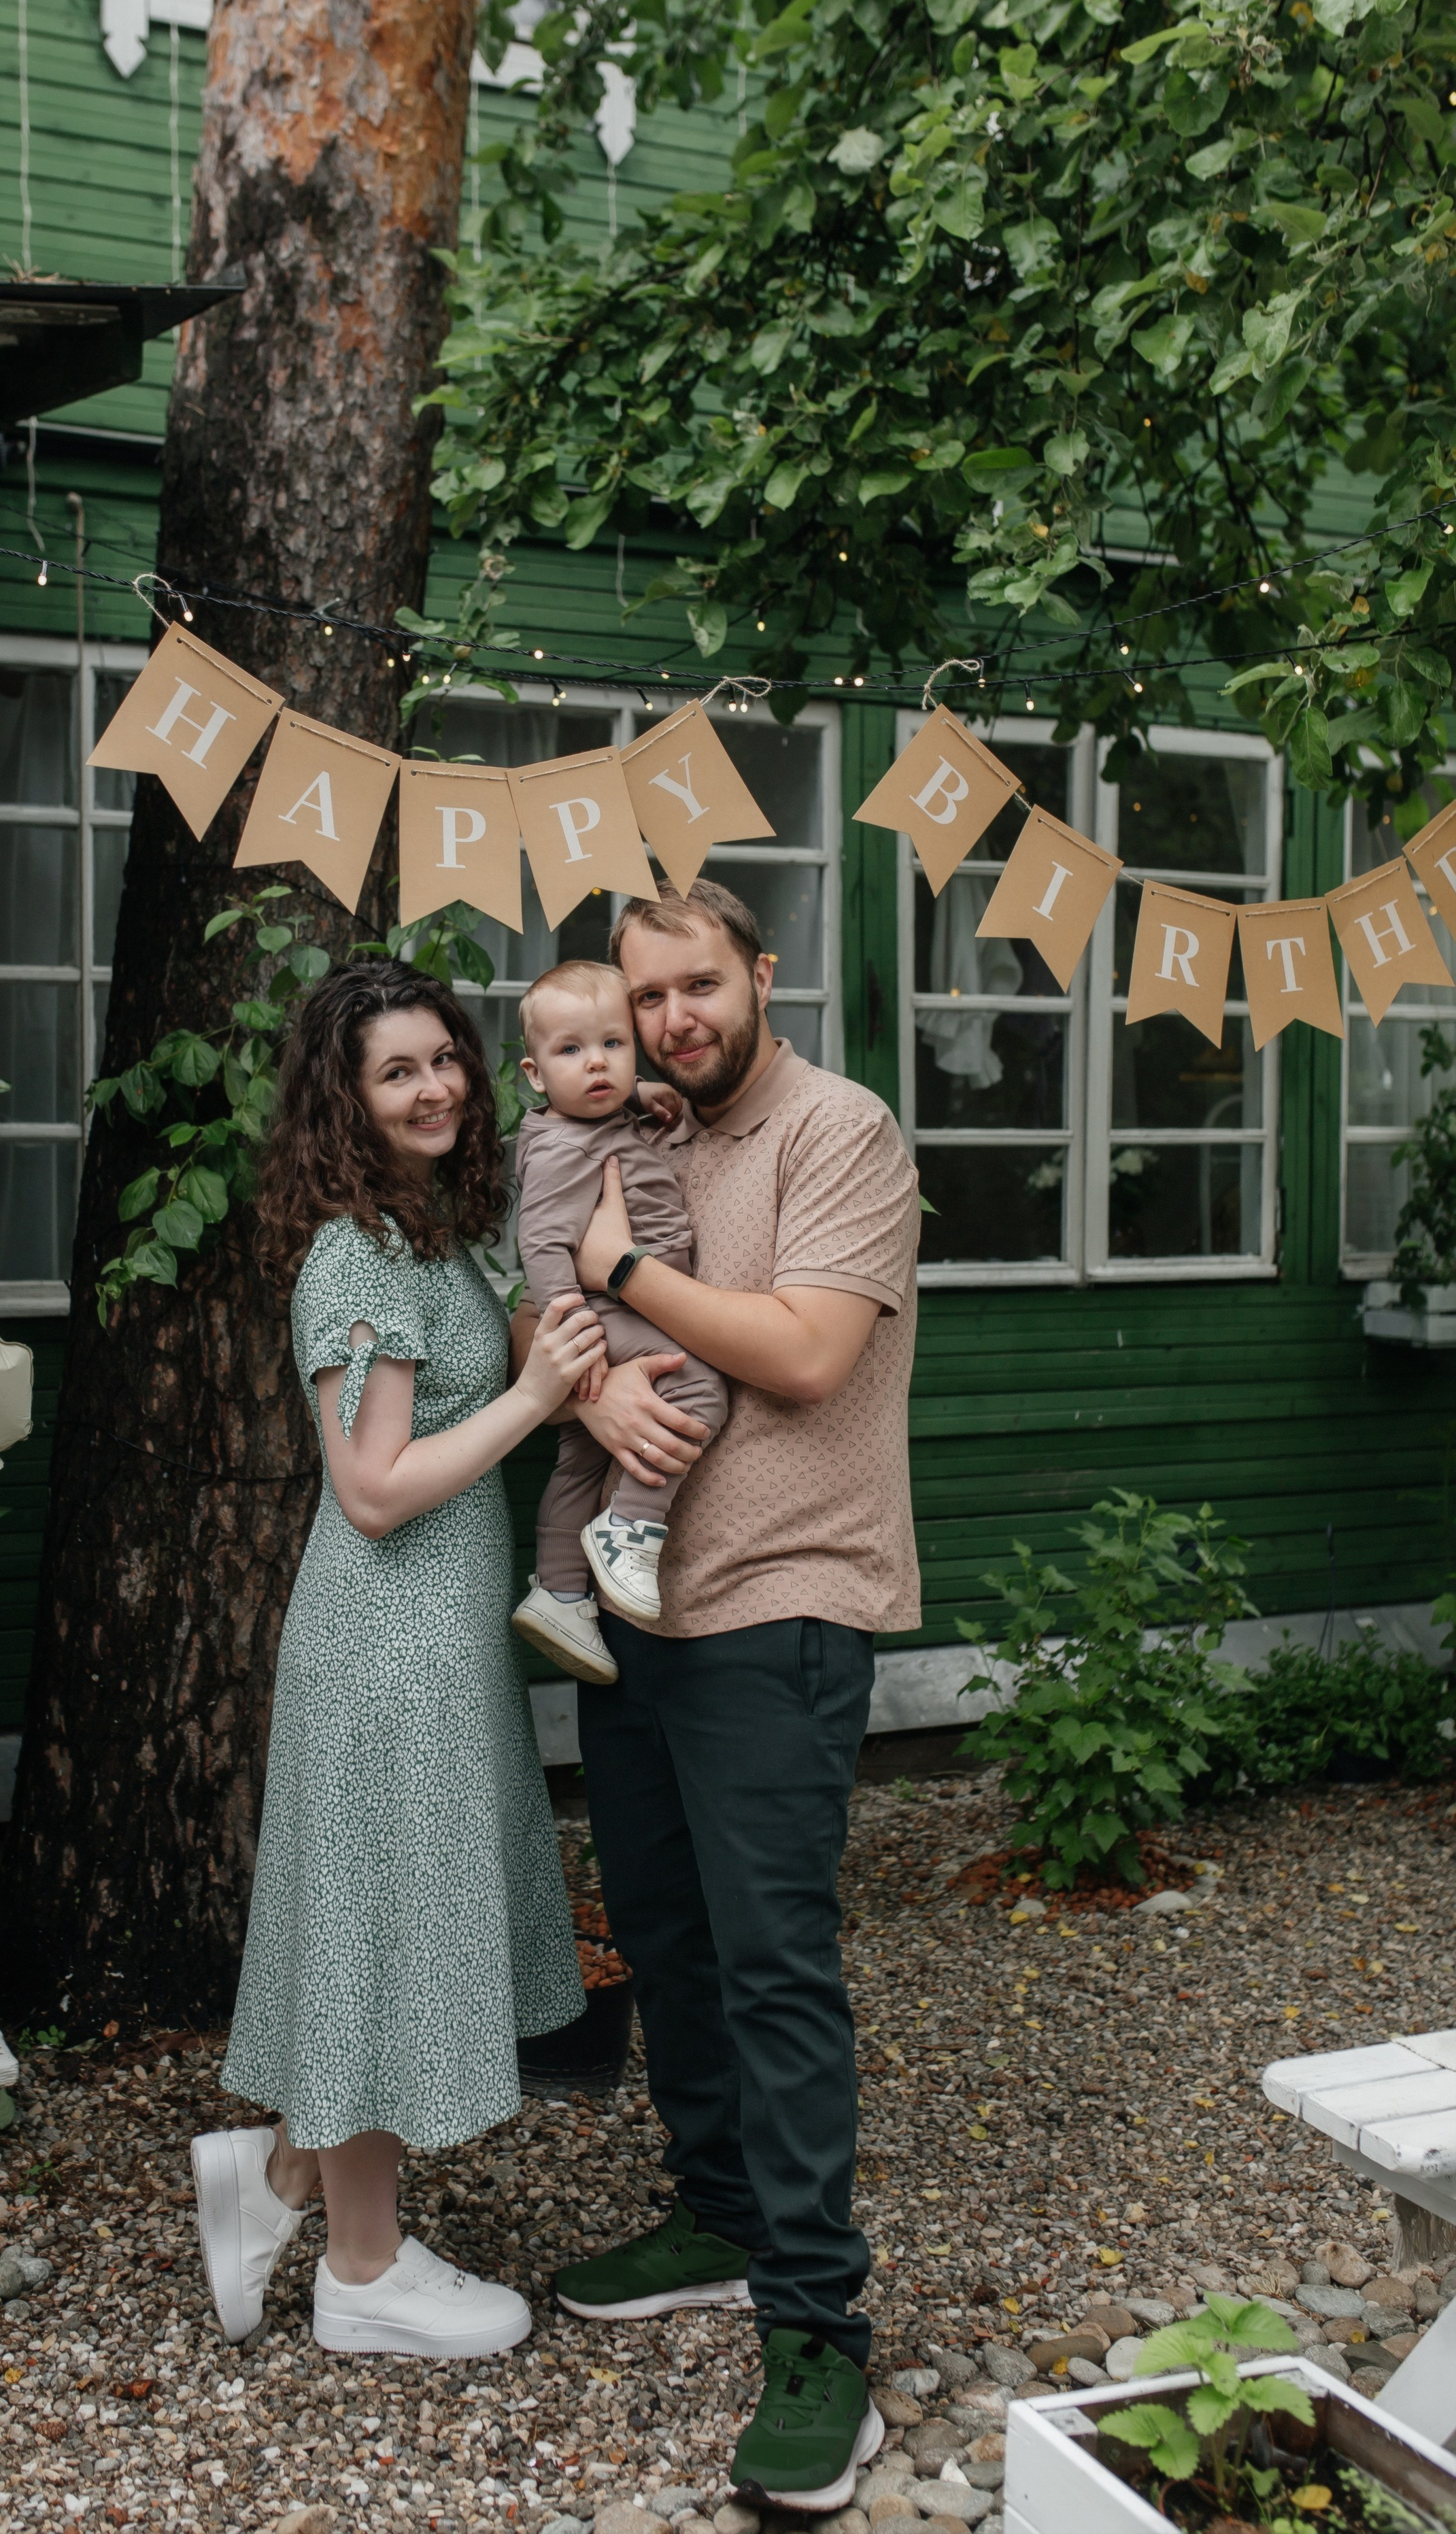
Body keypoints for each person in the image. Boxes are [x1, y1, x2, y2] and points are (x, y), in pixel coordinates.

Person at [517, 879, 921, 2513]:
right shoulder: (631, 1114)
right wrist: (595, 1361)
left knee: (769, 1963)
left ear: (758, 971)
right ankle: (714, 2207)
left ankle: (819, 2323)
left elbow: (807, 1350)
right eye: (645, 995)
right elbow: (549, 1284)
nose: (671, 1017)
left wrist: (626, 1265)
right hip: (637, 1596)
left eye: (697, 985)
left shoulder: (839, 1129)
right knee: (661, 1927)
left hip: (785, 1589)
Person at [192, 960, 605, 2361]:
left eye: (443, 1061)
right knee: (372, 1948)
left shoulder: (434, 1234)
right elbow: (367, 1486)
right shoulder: (356, 1256)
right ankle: (362, 2277)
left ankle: (282, 2180)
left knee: (379, 1927)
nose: (433, 1088)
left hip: (434, 1645)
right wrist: (538, 1397)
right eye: (395, 1072)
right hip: (382, 1650)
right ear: (342, 1101)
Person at [509, 958, 728, 1685]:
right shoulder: (563, 1146)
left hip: (616, 1303)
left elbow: (614, 1094)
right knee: (696, 1387)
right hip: (603, 1310)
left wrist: (641, 1094)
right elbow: (540, 1242)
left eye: (613, 1045)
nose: (596, 1064)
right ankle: (632, 1526)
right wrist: (570, 1330)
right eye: (570, 1051)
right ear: (535, 1075)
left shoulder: (598, 1117)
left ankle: (561, 1592)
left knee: (583, 1454)